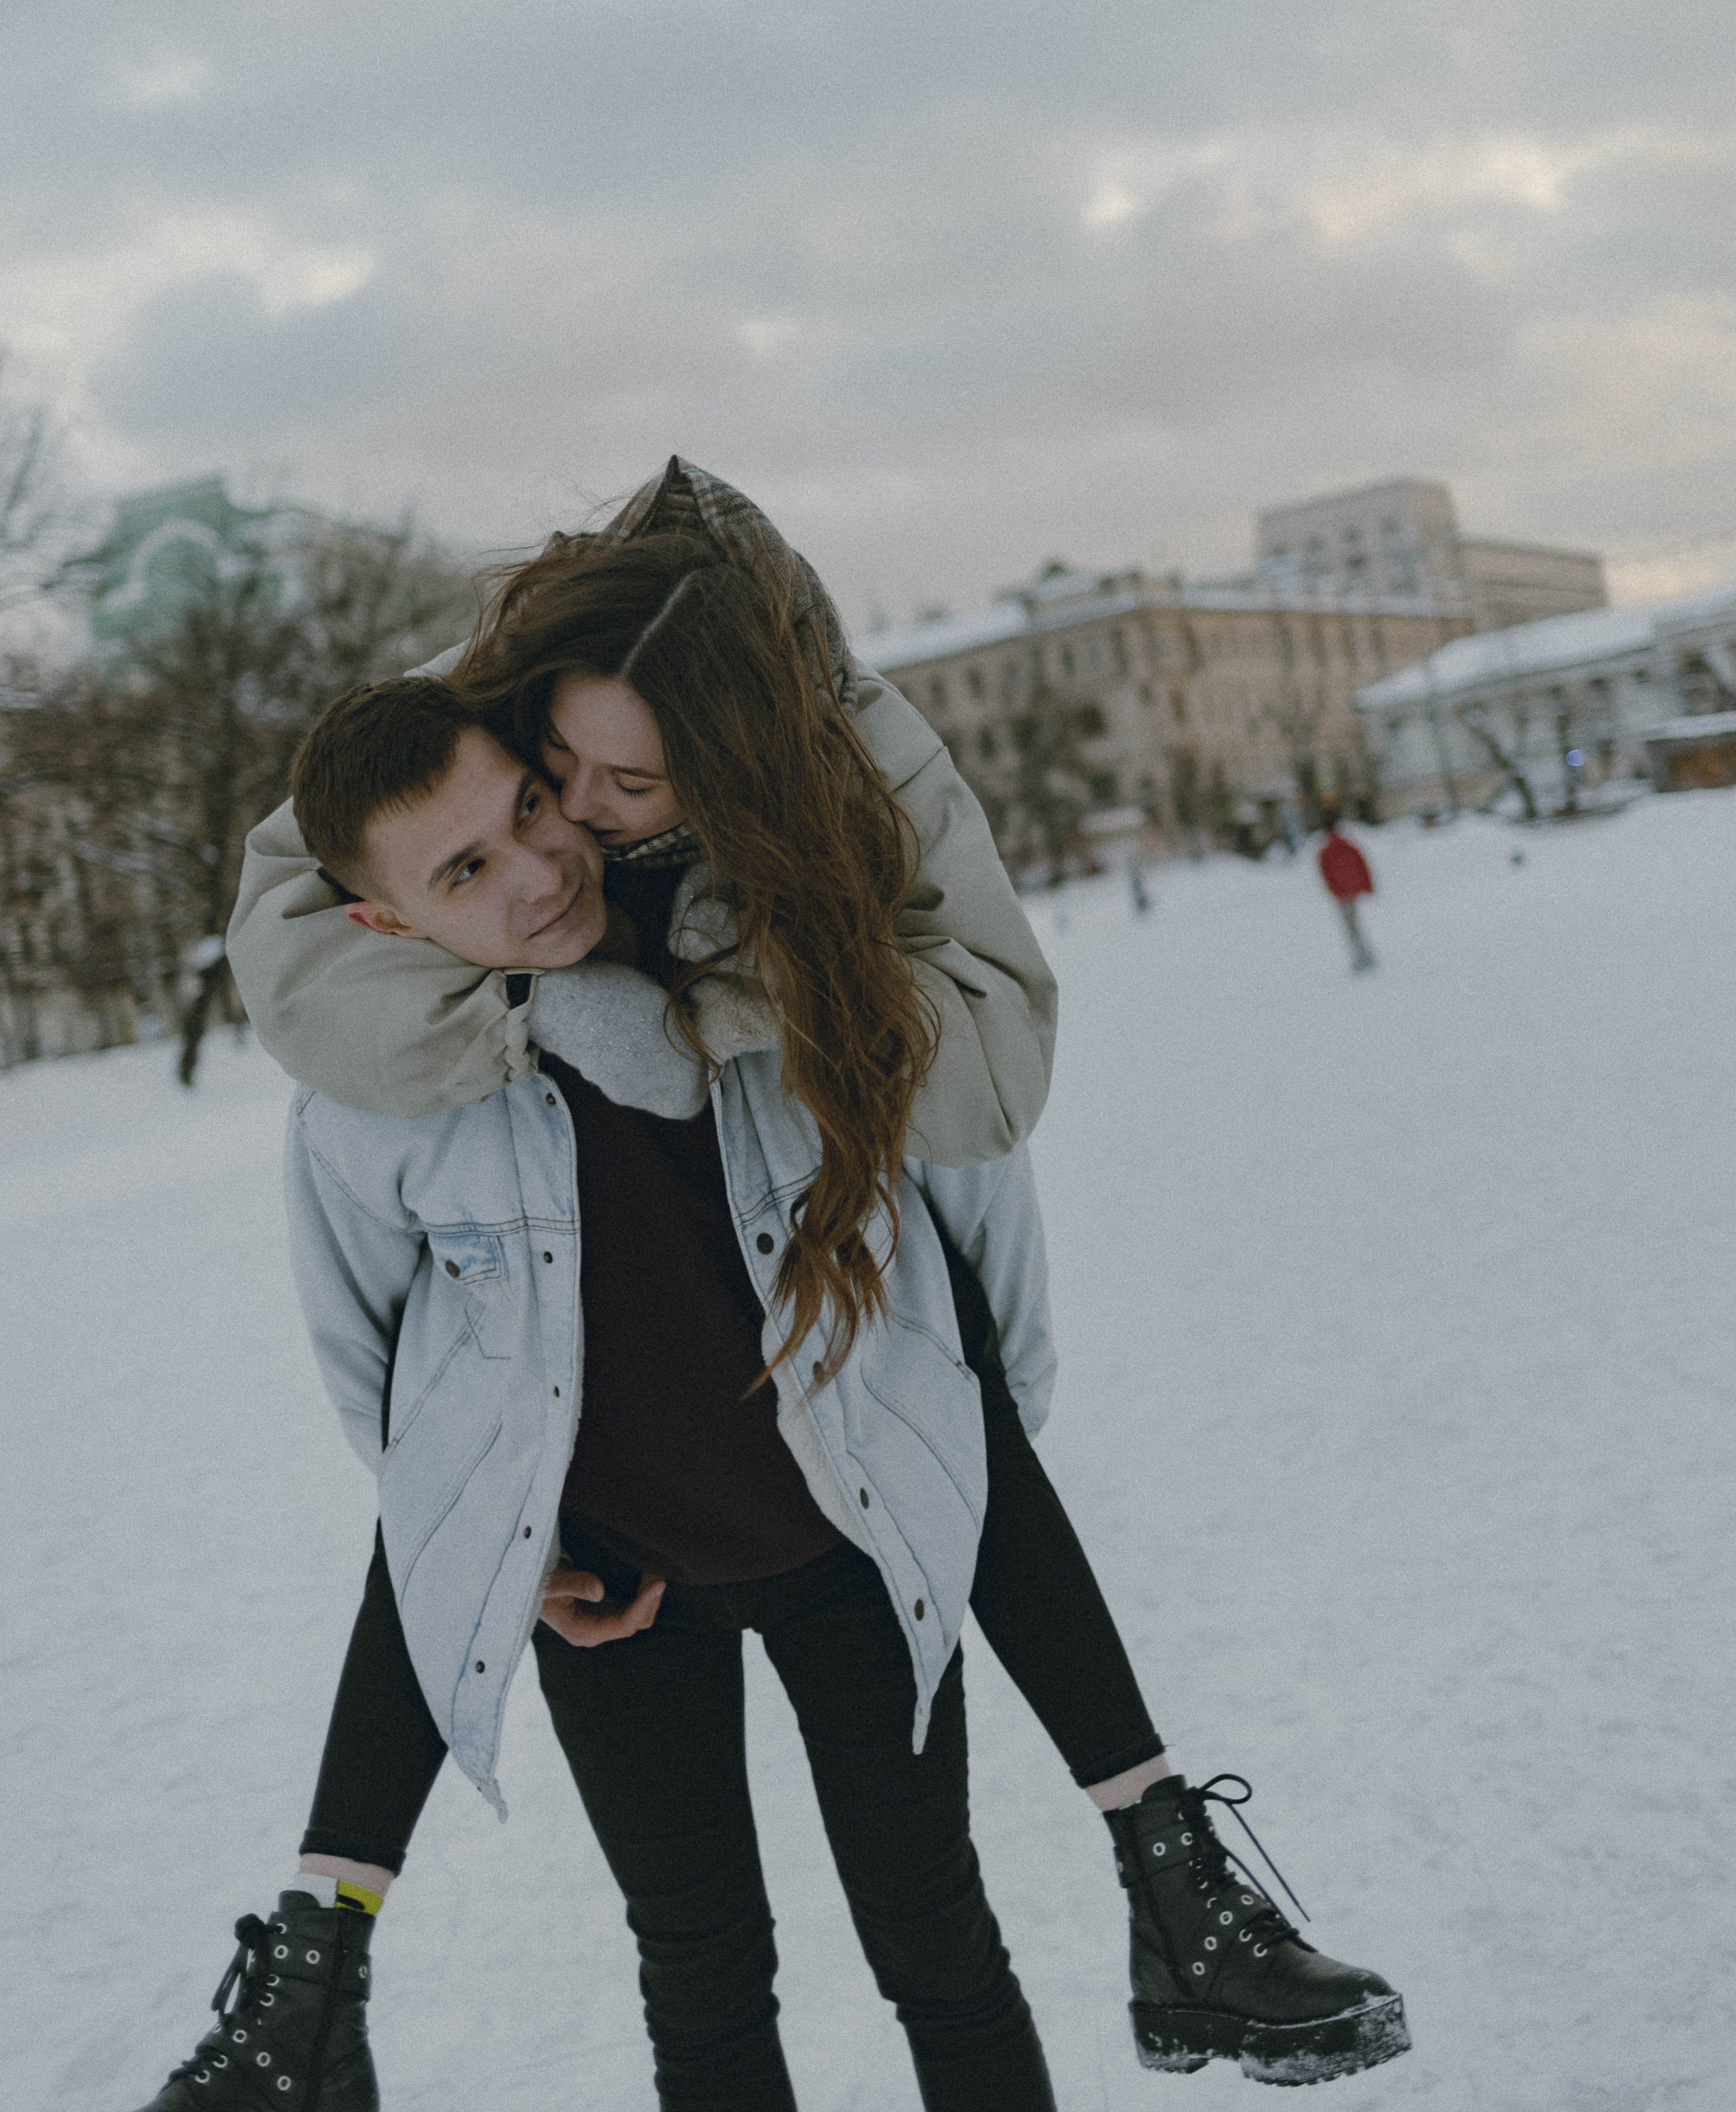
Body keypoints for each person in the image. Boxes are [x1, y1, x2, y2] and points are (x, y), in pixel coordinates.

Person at [142, 462, 1406, 2103]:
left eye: (577, 796)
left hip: (839, 1533)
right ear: (391, 909)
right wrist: (499, 1548)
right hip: (612, 1586)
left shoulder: (792, 936)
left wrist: (952, 1463)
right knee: (700, 1974)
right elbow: (380, 1357)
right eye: (519, 812)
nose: (556, 840)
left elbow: (973, 1226)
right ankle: (314, 1971)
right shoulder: (387, 1081)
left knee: (933, 1940)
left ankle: (1169, 1873)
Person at [1317, 812, 1377, 972]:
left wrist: (1335, 891)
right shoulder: (1348, 846)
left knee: (1351, 927)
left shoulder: (1326, 852)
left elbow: (1326, 875)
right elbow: (1362, 866)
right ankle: (1365, 955)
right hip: (1352, 891)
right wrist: (1367, 886)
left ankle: (1362, 957)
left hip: (1342, 895)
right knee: (1354, 925)